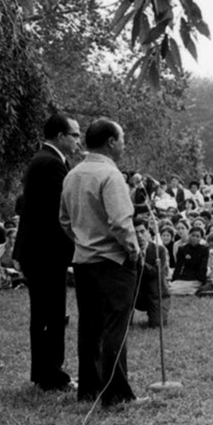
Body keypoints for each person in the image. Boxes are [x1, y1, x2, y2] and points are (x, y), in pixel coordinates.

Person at [59, 118, 145, 408]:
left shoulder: (72, 175)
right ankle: (116, 394)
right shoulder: (111, 175)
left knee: (90, 326)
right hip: (112, 261)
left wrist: (84, 241)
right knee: (115, 326)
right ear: (111, 142)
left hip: (83, 261)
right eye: (122, 139)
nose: (124, 145)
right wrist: (133, 250)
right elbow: (121, 222)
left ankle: (89, 388)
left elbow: (64, 220)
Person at [14, 113, 81, 392]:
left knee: (46, 313)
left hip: (39, 251)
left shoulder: (47, 161)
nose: (78, 140)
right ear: (60, 136)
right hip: (45, 252)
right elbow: (61, 210)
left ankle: (44, 372)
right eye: (74, 135)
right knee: (50, 314)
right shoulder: (50, 164)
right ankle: (52, 375)